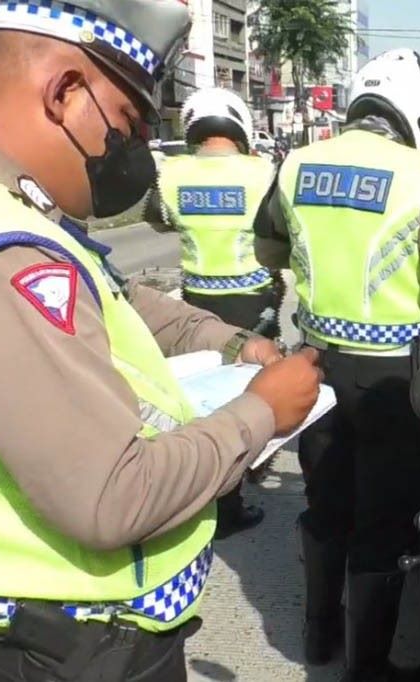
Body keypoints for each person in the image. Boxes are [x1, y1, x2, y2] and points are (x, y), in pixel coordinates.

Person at [0, 2, 322, 680]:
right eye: (129, 124)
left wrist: (229, 344)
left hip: (45, 634)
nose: (134, 154)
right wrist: (261, 414)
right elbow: (112, 496)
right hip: (58, 646)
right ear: (65, 93)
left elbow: (112, 298)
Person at [256, 48, 420, 680]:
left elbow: (271, 247)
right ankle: (366, 666)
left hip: (314, 368)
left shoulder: (296, 163)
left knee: (327, 504)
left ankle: (318, 636)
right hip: (391, 380)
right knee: (383, 520)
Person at [157, 86, 282, 538]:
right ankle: (229, 502)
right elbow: (279, 233)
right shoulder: (264, 171)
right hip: (252, 301)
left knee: (205, 402)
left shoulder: (170, 173)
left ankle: (202, 490)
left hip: (195, 306)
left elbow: (160, 220)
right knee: (246, 396)